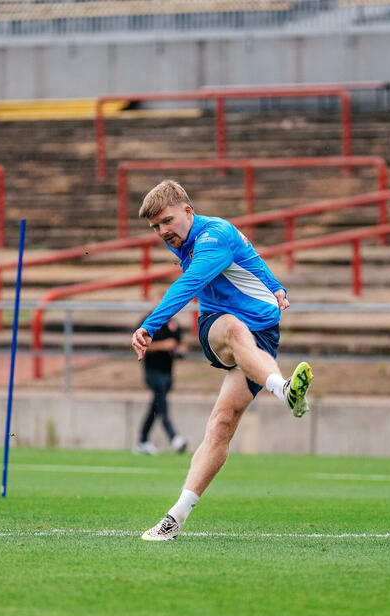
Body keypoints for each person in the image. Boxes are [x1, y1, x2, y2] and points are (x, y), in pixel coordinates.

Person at [131, 180, 313, 541]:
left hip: (261, 338)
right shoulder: (204, 238)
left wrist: (276, 286)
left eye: (167, 221)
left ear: (188, 211)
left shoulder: (215, 236)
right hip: (219, 327)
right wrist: (277, 285)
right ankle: (285, 390)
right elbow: (217, 271)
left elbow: (215, 271)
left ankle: (174, 519)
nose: (162, 231)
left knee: (221, 425)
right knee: (232, 329)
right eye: (155, 227)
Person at [134, 315, 187, 455]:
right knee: (162, 406)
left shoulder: (174, 323)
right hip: (152, 372)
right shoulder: (148, 321)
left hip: (167, 373)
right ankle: (174, 438)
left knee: (155, 406)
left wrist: (180, 349)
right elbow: (140, 344)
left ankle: (142, 440)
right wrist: (164, 345)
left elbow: (181, 343)